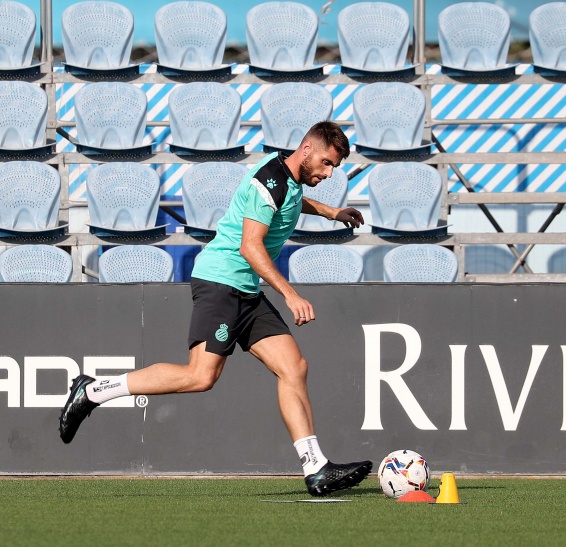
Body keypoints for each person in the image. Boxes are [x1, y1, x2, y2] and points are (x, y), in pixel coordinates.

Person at [59, 121, 372, 497]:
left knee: (294, 367)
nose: (328, 172)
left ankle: (315, 468)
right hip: (221, 283)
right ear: (306, 149)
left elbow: (291, 199)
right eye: (325, 162)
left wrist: (330, 211)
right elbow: (250, 248)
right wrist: (290, 294)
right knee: (200, 376)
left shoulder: (287, 181)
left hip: (246, 291)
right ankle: (94, 390)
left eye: (334, 167)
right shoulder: (266, 182)